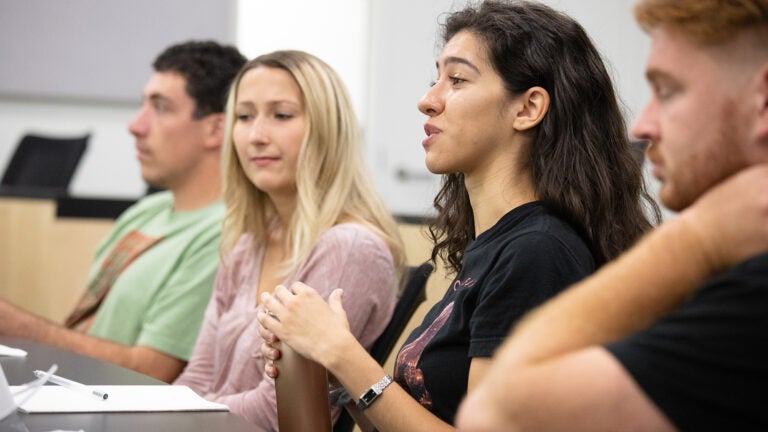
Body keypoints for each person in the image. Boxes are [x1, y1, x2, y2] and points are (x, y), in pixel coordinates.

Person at [257, 1, 660, 430]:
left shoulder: (538, 253)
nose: (428, 101)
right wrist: (334, 368)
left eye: (458, 80)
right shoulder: (494, 246)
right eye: (436, 79)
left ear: (527, 109)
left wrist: (345, 354)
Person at [455, 0, 768, 430]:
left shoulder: (752, 296)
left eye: (668, 90)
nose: (642, 126)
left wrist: (699, 238)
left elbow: (496, 413)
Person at [172, 50, 405, 430]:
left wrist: (170, 416)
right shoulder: (247, 243)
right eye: (245, 117)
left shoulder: (349, 247)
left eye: (281, 115)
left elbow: (276, 411)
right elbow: (197, 379)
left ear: (327, 130)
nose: (256, 136)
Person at [0, 40, 246, 383]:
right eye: (143, 105)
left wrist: (16, 326)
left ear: (216, 129)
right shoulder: (147, 211)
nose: (136, 125)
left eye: (160, 108)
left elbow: (151, 373)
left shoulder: (227, 233)